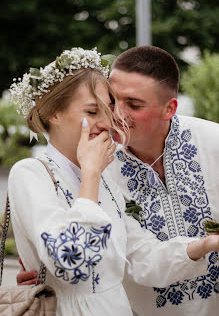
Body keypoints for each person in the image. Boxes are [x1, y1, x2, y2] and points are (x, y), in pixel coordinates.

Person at [12, 47, 219, 316]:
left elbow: (139, 257)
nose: (111, 119)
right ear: (54, 114)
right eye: (92, 110)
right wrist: (91, 176)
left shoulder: (104, 176)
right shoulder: (32, 173)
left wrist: (206, 246)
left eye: (106, 109)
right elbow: (74, 263)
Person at [107, 45, 219, 316]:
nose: (117, 114)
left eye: (133, 104)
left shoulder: (213, 141)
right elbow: (134, 258)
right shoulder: (100, 168)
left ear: (169, 108)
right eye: (111, 100)